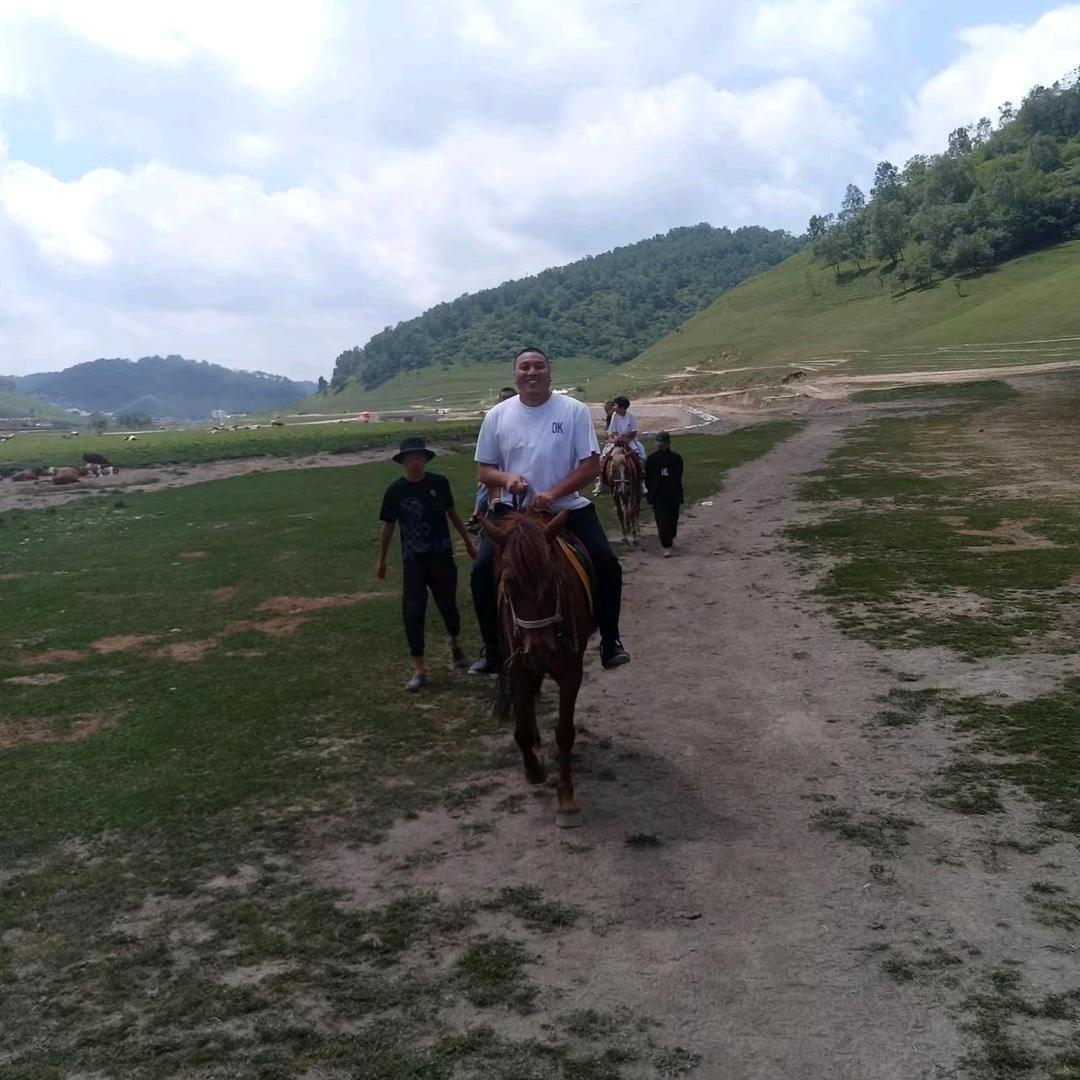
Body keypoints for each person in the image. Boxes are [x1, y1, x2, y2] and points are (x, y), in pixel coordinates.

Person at [469, 347, 630, 673]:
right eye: (525, 367)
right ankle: (493, 648)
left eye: (539, 366)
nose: (532, 373)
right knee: (481, 569)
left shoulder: (573, 411)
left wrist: (553, 493)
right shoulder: (497, 416)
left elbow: (590, 467)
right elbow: (485, 473)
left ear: (550, 372)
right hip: (514, 514)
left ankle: (610, 641)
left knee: (607, 563)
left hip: (565, 509)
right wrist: (507, 478)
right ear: (515, 374)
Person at [377, 436, 477, 692]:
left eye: (418, 456)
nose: (415, 461)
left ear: (424, 458)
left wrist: (467, 542)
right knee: (412, 612)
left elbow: (452, 514)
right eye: (409, 457)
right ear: (403, 461)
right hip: (413, 561)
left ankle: (455, 644)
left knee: (448, 606)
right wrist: (382, 561)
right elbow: (388, 527)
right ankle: (420, 669)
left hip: (442, 556)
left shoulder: (439, 484)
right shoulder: (395, 491)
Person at [645, 431, 684, 557]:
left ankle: (670, 537)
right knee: (661, 522)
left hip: (673, 494)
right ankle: (666, 546)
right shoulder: (651, 459)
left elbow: (678, 476)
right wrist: (650, 492)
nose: (660, 444)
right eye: (658, 441)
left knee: (672, 520)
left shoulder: (676, 458)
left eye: (663, 442)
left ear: (668, 443)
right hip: (658, 496)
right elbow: (648, 477)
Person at [595, 395, 645, 495]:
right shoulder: (614, 416)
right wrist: (617, 438)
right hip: (616, 441)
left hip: (629, 440)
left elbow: (634, 432)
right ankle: (601, 482)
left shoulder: (631, 417)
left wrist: (626, 438)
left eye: (616, 405)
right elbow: (612, 431)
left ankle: (642, 483)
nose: (614, 407)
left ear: (622, 407)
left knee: (641, 457)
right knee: (603, 457)